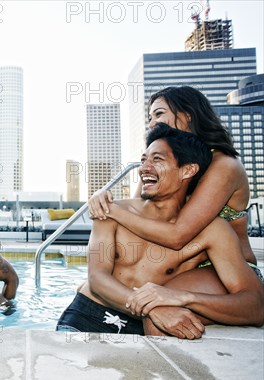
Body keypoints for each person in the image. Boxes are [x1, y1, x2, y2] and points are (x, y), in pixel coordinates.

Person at [57, 124, 264, 338]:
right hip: (89, 313)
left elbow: (255, 306)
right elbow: (97, 279)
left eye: (157, 160)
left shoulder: (211, 231)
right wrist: (154, 308)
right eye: (143, 159)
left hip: (148, 324)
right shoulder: (111, 211)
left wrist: (184, 298)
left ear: (188, 170)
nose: (144, 168)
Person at [88, 85, 260, 291]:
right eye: (149, 118)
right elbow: (139, 210)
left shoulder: (224, 165)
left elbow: (177, 235)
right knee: (95, 289)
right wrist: (101, 198)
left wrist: (111, 210)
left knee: (156, 304)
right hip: (178, 265)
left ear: (188, 116)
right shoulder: (159, 163)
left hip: (222, 270)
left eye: (158, 114)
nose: (151, 124)